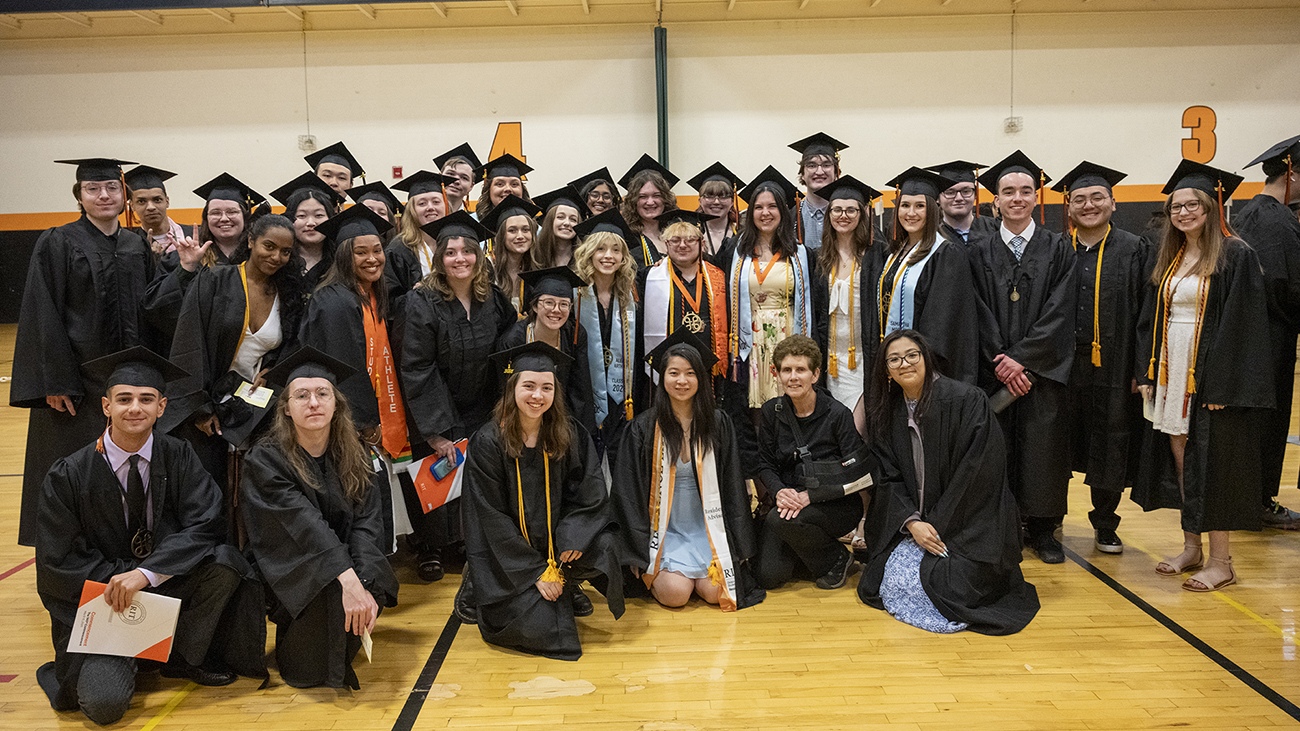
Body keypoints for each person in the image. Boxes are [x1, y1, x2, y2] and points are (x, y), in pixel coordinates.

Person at [36, 348, 249, 725]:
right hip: (105, 606)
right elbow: (59, 562)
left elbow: (206, 521)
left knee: (226, 563)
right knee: (103, 706)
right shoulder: (69, 474)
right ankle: (131, 654)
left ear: (162, 407)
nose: (135, 408)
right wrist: (119, 583)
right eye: (124, 399)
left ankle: (179, 657)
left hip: (159, 584)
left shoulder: (179, 456)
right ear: (106, 406)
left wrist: (146, 574)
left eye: (146, 399)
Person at [1134, 160, 1273, 593]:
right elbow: (1151, 317)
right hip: (1173, 370)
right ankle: (1190, 545)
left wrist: (1225, 385)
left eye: (1193, 204)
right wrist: (1148, 372)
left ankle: (1221, 561)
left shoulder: (1236, 255)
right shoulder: (1172, 255)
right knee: (1181, 456)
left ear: (1211, 208)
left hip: (1211, 379)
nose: (1184, 212)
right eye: (1177, 207)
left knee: (1213, 464)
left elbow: (1246, 325)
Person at [13, 158, 162, 547]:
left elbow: (154, 307)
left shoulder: (135, 244)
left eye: (112, 187)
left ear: (122, 195)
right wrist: (55, 380)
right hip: (77, 381)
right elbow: (42, 312)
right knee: (72, 469)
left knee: (127, 467)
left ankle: (128, 546)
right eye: (93, 189)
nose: (104, 195)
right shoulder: (58, 241)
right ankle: (68, 552)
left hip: (126, 382)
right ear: (79, 195)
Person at [857, 330, 1040, 635]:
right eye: (894, 359)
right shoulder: (888, 413)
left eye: (912, 355)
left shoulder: (967, 401)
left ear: (926, 358)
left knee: (949, 584)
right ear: (886, 371)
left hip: (969, 527)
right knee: (876, 578)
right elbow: (888, 478)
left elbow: (978, 476)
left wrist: (937, 525)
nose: (905, 364)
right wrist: (913, 524)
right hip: (917, 523)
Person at [241, 347, 399, 689]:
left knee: (377, 581)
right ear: (286, 407)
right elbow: (303, 528)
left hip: (344, 569)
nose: (313, 402)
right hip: (294, 572)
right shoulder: (265, 460)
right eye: (301, 395)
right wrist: (348, 581)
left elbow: (367, 525)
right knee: (306, 674)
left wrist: (363, 579)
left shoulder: (355, 455)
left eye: (322, 393)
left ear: (336, 403)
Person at [461, 342, 625, 659]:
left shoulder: (568, 432)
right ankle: (482, 588)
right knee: (538, 628)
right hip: (508, 561)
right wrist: (536, 573)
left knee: (606, 545)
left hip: (556, 544)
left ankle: (566, 583)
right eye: (529, 386)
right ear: (512, 388)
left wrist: (573, 536)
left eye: (546, 387)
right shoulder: (488, 442)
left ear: (555, 392)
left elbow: (590, 492)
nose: (538, 396)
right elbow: (491, 518)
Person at [968, 151, 1078, 564]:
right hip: (997, 373)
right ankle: (1005, 525)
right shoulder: (978, 250)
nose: (1017, 198)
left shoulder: (1058, 248)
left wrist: (1025, 360)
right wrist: (1002, 360)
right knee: (1001, 449)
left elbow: (1062, 311)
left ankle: (1045, 530)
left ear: (1037, 197)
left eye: (1025, 191)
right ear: (995, 200)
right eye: (1008, 192)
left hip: (1041, 374)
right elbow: (977, 309)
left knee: (1043, 447)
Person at [399, 210, 515, 581]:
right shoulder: (423, 301)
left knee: (476, 476)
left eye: (467, 251)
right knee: (435, 472)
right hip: (435, 402)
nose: (459, 258)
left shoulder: (492, 298)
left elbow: (507, 346)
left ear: (479, 257)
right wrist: (436, 429)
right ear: (439, 258)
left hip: (482, 403)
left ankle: (469, 541)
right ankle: (429, 547)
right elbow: (417, 366)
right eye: (450, 252)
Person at [611, 330, 764, 610]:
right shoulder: (643, 429)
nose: (682, 381)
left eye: (690, 373)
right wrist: (635, 550)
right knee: (675, 595)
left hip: (707, 527)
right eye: (674, 373)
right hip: (663, 531)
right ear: (662, 377)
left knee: (715, 591)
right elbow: (627, 491)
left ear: (701, 379)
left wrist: (739, 546)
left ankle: (696, 571)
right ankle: (669, 572)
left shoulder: (718, 424)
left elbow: (732, 484)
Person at [165, 214, 303, 517]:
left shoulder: (286, 293)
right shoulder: (215, 280)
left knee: (253, 484)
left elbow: (289, 345)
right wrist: (200, 408)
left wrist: (272, 370)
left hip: (254, 406)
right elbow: (189, 344)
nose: (276, 257)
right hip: (208, 402)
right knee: (211, 487)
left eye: (285, 251)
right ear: (251, 240)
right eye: (269, 246)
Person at [1051, 162, 1152, 554]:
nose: (1089, 205)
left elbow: (1147, 315)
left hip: (1116, 364)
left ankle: (1105, 522)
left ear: (1113, 202)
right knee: (1055, 444)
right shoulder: (1058, 249)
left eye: (1097, 197)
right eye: (1080, 199)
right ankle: (1048, 518)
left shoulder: (1134, 248)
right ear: (1069, 207)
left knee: (1110, 442)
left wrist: (1141, 369)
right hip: (1062, 367)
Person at [756, 335, 870, 591]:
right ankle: (811, 552)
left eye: (801, 370)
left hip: (836, 504)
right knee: (768, 577)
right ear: (777, 374)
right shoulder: (771, 412)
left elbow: (859, 473)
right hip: (788, 502)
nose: (793, 377)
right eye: (786, 370)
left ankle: (838, 558)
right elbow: (765, 463)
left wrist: (812, 496)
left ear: (815, 374)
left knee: (778, 521)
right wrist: (779, 491)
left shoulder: (838, 414)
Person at [1236, 135, 1300, 529]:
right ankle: (1258, 501)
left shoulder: (1249, 214)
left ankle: (1254, 499)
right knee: (1265, 424)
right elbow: (1281, 287)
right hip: (1269, 341)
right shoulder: (1273, 220)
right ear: (1291, 172)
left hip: (1257, 340)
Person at [725, 166, 822, 422]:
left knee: (792, 406)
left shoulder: (800, 254)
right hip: (750, 339)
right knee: (757, 411)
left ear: (783, 211)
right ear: (750, 212)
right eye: (758, 207)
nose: (765, 213)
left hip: (787, 335)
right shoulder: (736, 252)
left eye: (772, 207)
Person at [869, 167, 981, 387]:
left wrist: (914, 360)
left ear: (933, 209)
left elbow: (943, 322)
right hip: (895, 362)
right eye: (905, 206)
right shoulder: (896, 252)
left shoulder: (946, 253)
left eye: (920, 206)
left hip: (925, 367)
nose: (911, 213)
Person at [635, 209, 731, 409]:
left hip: (707, 365)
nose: (682, 245)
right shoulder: (650, 277)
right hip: (668, 367)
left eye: (690, 240)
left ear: (701, 243)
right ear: (666, 244)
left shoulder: (719, 277)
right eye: (675, 240)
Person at [813, 175, 883, 426]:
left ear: (862, 213)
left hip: (864, 358)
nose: (843, 215)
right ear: (829, 214)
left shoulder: (877, 255)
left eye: (851, 210)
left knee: (859, 429)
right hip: (830, 360)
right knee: (834, 429)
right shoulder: (820, 257)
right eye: (837, 210)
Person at [499, 266, 599, 437]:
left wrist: (580, 435)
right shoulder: (513, 340)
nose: (556, 310)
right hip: (519, 418)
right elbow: (505, 388)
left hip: (560, 418)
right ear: (535, 306)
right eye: (549, 302)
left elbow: (580, 389)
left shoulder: (574, 335)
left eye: (563, 304)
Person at [573, 210, 639, 460]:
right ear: (589, 252)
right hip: (583, 395)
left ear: (624, 257)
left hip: (621, 399)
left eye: (616, 250)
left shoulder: (630, 297)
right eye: (601, 249)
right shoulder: (574, 296)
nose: (608, 256)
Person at [386, 170, 455, 302]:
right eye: (422, 203)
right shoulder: (398, 250)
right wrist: (414, 297)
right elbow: (390, 301)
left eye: (436, 202)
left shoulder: (456, 241)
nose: (430, 207)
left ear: (446, 205)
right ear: (412, 210)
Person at [271, 171, 344, 295]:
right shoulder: (277, 262)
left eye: (319, 215)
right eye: (301, 215)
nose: (311, 222)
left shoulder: (342, 260)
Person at [483, 194, 543, 313]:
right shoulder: (486, 268)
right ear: (499, 237)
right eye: (512, 230)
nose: (520, 236)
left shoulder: (537, 269)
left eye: (525, 230)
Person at [789, 132, 849, 249]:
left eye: (826, 165)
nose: (820, 172)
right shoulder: (789, 217)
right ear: (802, 174)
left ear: (837, 173)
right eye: (811, 165)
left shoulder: (851, 216)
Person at [189, 172, 262, 268]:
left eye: (232, 212)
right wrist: (187, 266)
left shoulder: (259, 252)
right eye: (215, 213)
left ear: (244, 217)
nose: (224, 218)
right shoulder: (191, 252)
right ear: (206, 217)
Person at [619, 154, 679, 268]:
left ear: (665, 199)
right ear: (634, 201)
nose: (650, 202)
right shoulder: (627, 239)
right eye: (643, 197)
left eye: (656, 195)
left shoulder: (677, 234)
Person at [123, 165, 189, 261]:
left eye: (157, 200)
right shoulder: (129, 244)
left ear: (167, 201)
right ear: (132, 206)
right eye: (141, 201)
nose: (151, 207)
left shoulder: (193, 235)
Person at [686, 162, 744, 261]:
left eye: (723, 196)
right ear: (700, 200)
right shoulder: (689, 234)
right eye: (710, 196)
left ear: (732, 202)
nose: (716, 202)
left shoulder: (743, 234)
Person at [925, 160, 991, 245]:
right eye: (950, 192)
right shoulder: (930, 237)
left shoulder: (996, 229)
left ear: (975, 194)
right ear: (938, 197)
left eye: (966, 191)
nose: (959, 198)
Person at [533, 185, 591, 269]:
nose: (567, 223)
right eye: (560, 217)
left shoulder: (585, 260)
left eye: (573, 219)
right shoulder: (534, 256)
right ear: (550, 221)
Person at [473, 153, 534, 228]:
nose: (508, 189)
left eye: (514, 184)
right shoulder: (473, 224)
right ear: (488, 190)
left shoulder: (536, 230)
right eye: (499, 184)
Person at [434, 142, 482, 214]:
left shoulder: (475, 221)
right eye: (450, 174)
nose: (456, 181)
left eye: (464, 178)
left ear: (471, 186)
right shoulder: (424, 217)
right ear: (439, 177)